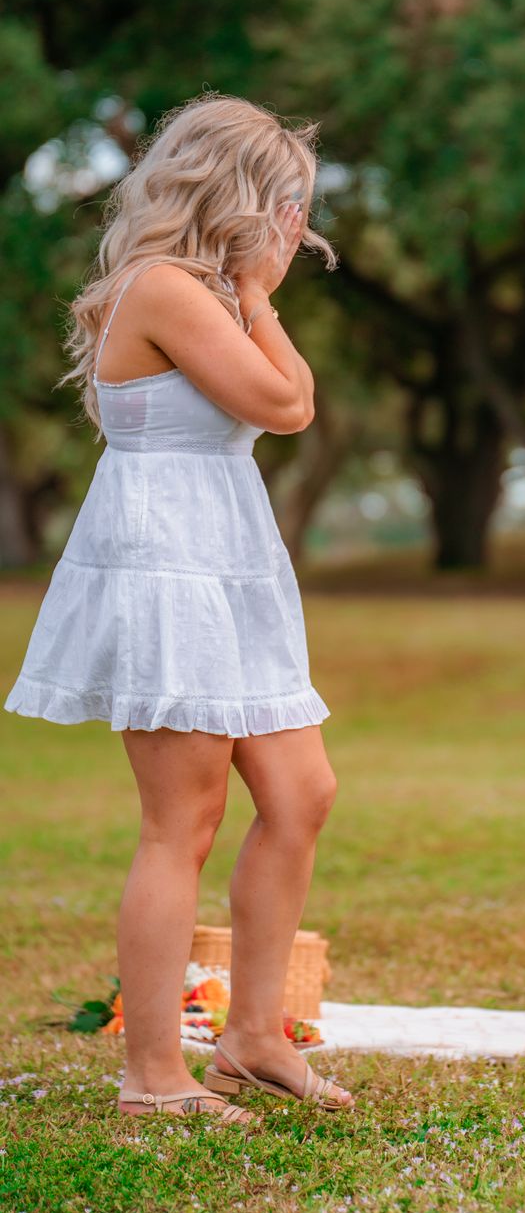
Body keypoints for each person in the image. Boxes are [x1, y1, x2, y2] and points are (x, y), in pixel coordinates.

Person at [5, 95, 353, 1123]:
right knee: (184, 821)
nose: (295, 226)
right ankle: (154, 1073)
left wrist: (257, 292)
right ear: (235, 194)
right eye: (286, 203)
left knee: (300, 792)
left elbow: (295, 397)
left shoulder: (221, 293)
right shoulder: (161, 287)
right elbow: (283, 405)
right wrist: (255, 289)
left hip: (230, 553)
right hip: (165, 557)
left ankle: (252, 1039)